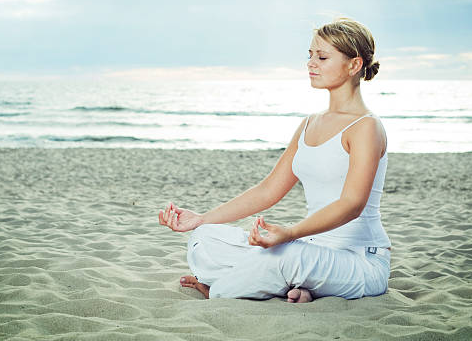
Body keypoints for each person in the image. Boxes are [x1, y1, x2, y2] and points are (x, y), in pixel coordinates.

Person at [158, 17, 390, 303]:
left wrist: (289, 233)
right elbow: (269, 190)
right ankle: (294, 285)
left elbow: (352, 204)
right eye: (309, 55)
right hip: (310, 249)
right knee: (205, 239)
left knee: (288, 254)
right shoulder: (310, 124)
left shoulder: (366, 126)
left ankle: (218, 290)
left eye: (322, 56)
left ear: (354, 65)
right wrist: (200, 219)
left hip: (359, 260)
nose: (310, 63)